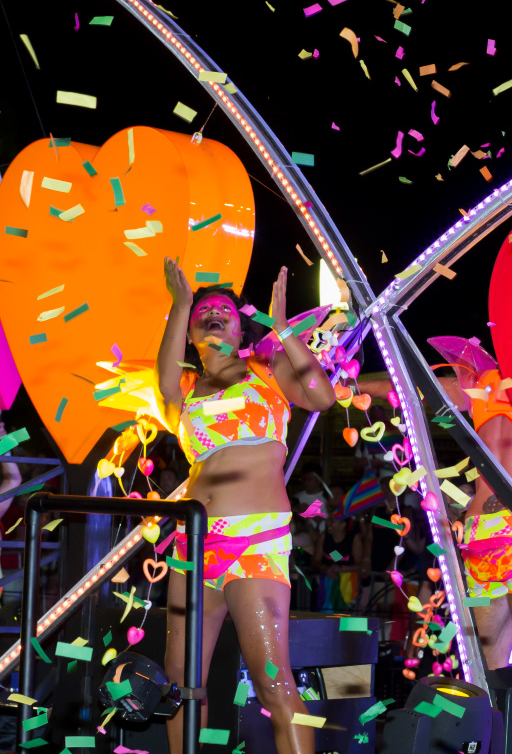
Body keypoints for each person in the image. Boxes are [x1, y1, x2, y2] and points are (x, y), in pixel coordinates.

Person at [157, 261, 336, 754]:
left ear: (240, 326)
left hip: (255, 539)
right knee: (182, 685)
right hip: (192, 544)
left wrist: (283, 329)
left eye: (225, 310)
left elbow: (322, 397)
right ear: (191, 330)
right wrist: (178, 302)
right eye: (203, 310)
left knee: (273, 684)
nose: (214, 312)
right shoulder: (185, 391)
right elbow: (165, 374)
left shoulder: (267, 371)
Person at [359, 336, 512, 672]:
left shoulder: (481, 386)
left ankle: (490, 725)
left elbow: (404, 383)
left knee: (487, 672)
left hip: (480, 533)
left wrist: (346, 381)